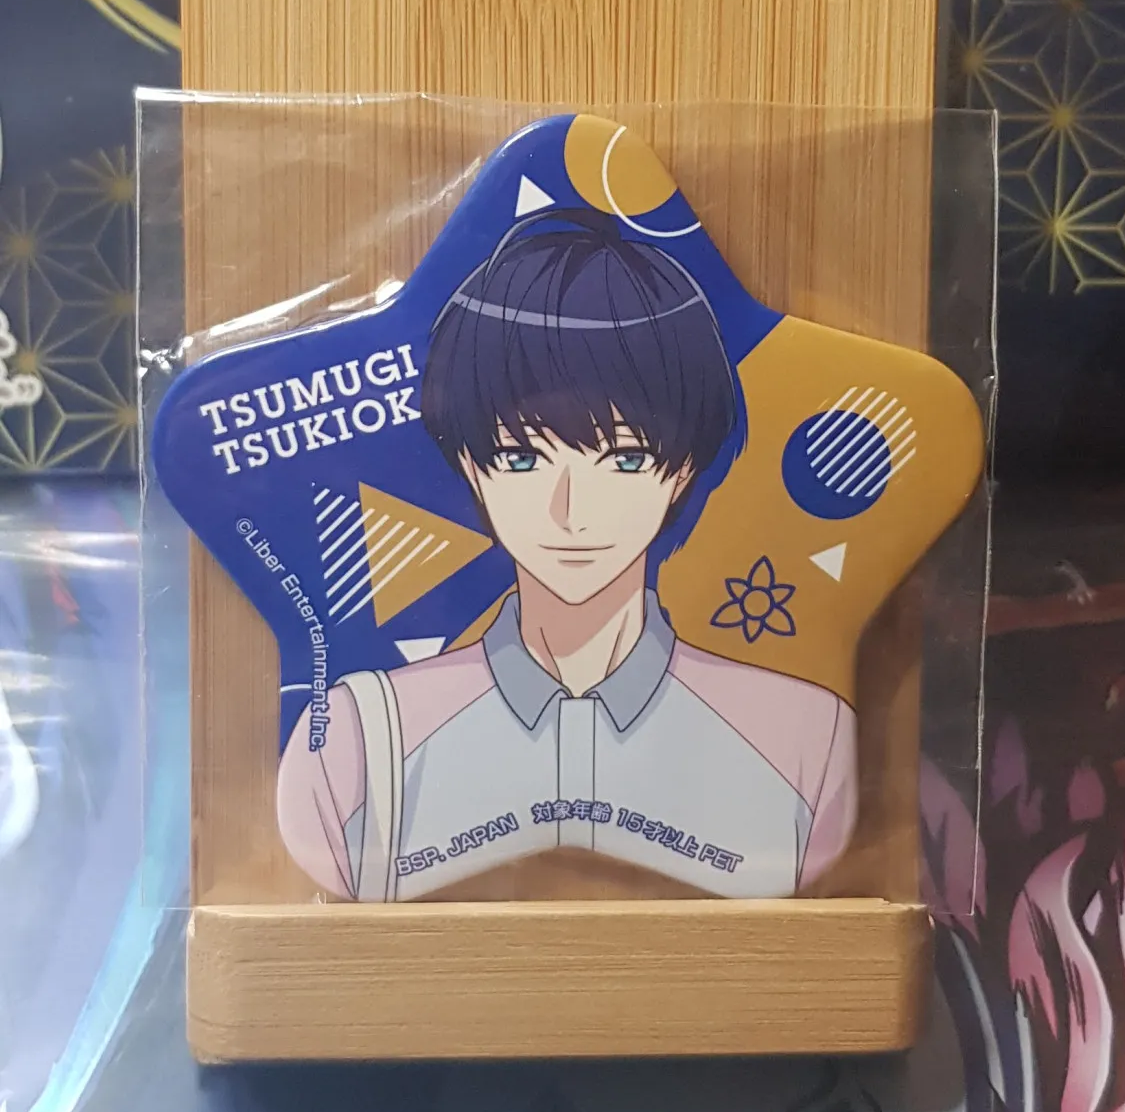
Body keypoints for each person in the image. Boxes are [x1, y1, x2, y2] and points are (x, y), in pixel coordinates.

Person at [278, 210, 856, 901]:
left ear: (681, 472)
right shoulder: (357, 741)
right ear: (471, 468)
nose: (570, 509)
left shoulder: (807, 739)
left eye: (624, 458)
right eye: (522, 457)